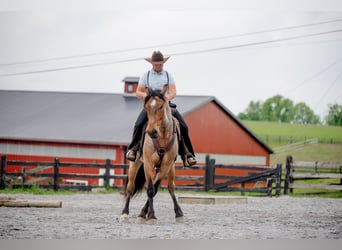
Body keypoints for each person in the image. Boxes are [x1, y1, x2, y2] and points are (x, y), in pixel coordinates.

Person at [126, 50, 197, 167]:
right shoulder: (146, 75)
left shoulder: (168, 75)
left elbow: (173, 91)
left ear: (163, 63)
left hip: (166, 105)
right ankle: (133, 149)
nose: (158, 66)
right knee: (139, 124)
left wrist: (166, 98)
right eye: (156, 64)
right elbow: (138, 91)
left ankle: (188, 154)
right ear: (152, 64)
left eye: (160, 64)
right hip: (151, 106)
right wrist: (147, 98)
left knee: (184, 126)